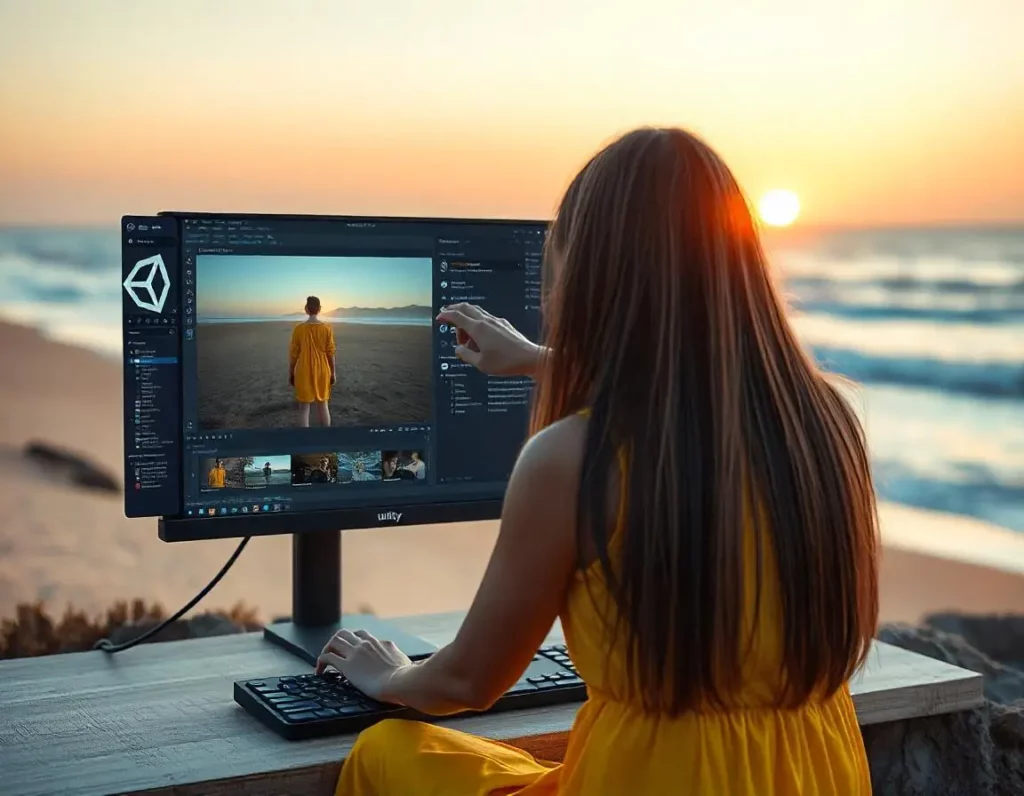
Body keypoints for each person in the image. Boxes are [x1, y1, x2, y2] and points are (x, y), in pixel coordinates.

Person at [320, 127, 880, 795]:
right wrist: (536, 360)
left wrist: (387, 674)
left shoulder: (569, 461)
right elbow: (691, 400)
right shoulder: (825, 422)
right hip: (811, 771)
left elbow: (468, 681)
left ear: (585, 275)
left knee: (388, 751)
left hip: (653, 778)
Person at [289, 295, 336, 428]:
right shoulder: (327, 328)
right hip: (322, 370)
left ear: (306, 309)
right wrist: (333, 373)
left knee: (304, 408)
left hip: (303, 370)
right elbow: (331, 353)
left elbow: (293, 354)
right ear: (319, 309)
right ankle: (326, 438)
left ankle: (306, 440)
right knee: (323, 405)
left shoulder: (299, 329)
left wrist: (291, 373)